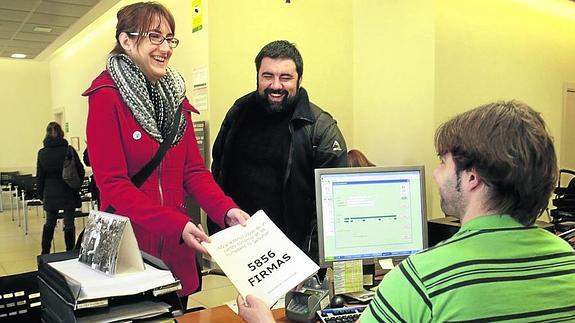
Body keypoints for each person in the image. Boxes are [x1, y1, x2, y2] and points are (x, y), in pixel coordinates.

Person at [236, 101, 575, 322]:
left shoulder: (423, 279)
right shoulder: (567, 259)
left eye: (443, 162)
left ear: (472, 177)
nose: (438, 173)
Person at [82, 2, 249, 302]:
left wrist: (226, 210)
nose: (166, 47)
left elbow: (194, 171)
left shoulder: (175, 100)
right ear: (127, 41)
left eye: (170, 38)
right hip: (129, 252)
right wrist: (177, 224)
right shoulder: (106, 97)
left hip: (175, 251)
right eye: (155, 37)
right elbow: (113, 185)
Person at [211, 40, 347, 261]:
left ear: (299, 80)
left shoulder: (320, 128)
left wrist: (310, 261)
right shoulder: (237, 114)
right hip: (241, 245)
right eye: (267, 76)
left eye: (285, 77)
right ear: (257, 77)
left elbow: (331, 206)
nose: (276, 85)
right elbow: (218, 174)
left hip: (295, 253)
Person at [37, 121, 85, 254]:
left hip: (50, 191)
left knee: (50, 223)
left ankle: (45, 252)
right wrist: (77, 184)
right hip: (68, 190)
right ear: (61, 133)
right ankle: (70, 252)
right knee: (69, 222)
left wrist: (41, 194)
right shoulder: (68, 150)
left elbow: (40, 176)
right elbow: (80, 170)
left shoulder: (42, 153)